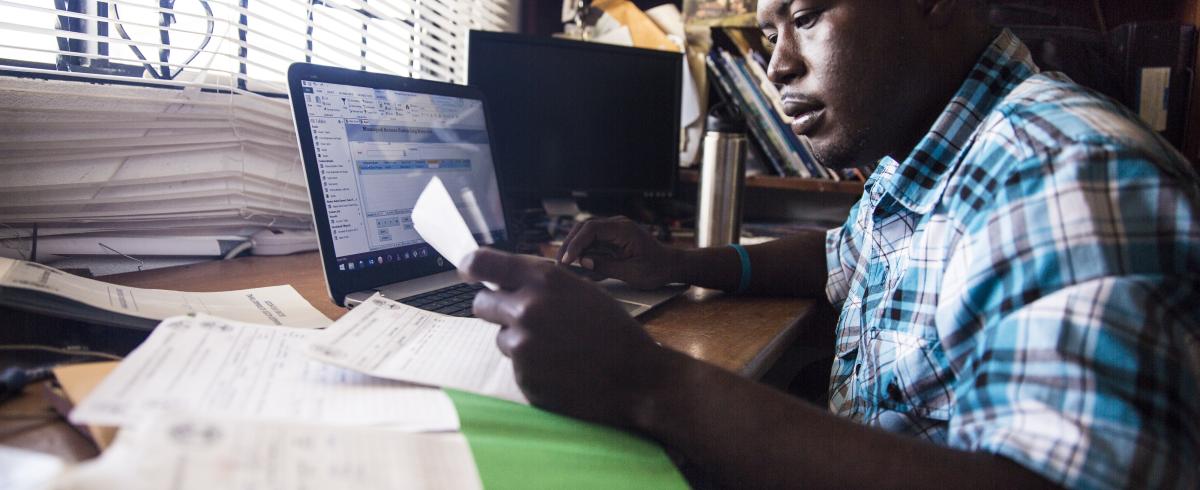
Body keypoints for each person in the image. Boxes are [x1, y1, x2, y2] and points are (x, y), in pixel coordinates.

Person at [458, 0, 1200, 487]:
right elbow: (844, 254)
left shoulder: (1068, 175)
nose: (776, 63)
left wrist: (646, 380)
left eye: (804, 16)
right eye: (769, 30)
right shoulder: (926, 155)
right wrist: (677, 262)